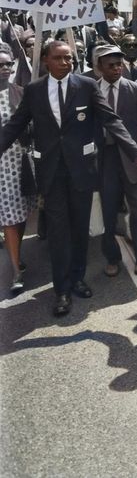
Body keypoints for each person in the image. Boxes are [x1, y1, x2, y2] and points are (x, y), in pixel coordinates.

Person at [0, 41, 137, 316]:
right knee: (58, 232)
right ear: (45, 60)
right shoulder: (34, 91)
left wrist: (136, 153)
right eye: (60, 58)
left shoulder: (87, 87)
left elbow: (111, 121)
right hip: (51, 173)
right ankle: (62, 290)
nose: (66, 63)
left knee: (79, 228)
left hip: (81, 171)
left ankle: (77, 277)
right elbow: (15, 125)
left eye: (69, 58)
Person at [94, 45, 137, 282]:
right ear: (99, 67)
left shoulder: (136, 89)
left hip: (135, 160)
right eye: (110, 65)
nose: (116, 69)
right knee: (109, 212)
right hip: (105, 159)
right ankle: (112, 258)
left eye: (119, 64)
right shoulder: (90, 91)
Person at [0, 43, 33, 295]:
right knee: (10, 218)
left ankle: (16, 252)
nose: (4, 69)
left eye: (8, 65)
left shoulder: (20, 92)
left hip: (22, 161)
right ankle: (15, 270)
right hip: (1, 166)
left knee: (21, 215)